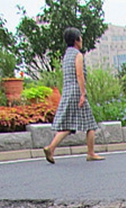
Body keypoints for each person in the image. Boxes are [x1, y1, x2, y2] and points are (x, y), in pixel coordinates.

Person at [43, 27, 104, 163]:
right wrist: (83, 93)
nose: (81, 40)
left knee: (69, 125)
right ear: (77, 40)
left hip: (67, 91)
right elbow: (79, 74)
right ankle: (90, 153)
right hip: (77, 91)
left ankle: (51, 148)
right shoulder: (78, 55)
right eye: (80, 38)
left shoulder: (66, 55)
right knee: (90, 124)